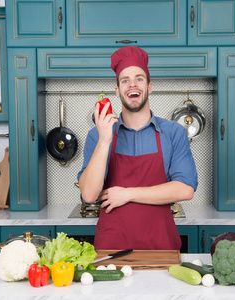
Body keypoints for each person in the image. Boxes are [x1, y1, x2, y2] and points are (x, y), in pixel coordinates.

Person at [77, 46, 198, 250]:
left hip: (161, 247)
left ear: (150, 86)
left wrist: (128, 194)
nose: (132, 84)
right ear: (117, 91)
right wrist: (105, 140)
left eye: (139, 78)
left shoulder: (173, 133)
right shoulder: (98, 134)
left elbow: (185, 189)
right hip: (111, 249)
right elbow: (89, 195)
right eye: (125, 80)